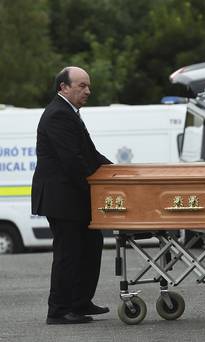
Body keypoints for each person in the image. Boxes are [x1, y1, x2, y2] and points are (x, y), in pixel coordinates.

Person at [32, 66, 112, 324]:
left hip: (73, 197)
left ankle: (79, 302)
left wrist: (118, 171)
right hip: (63, 198)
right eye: (82, 86)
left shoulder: (70, 113)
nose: (88, 91)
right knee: (69, 253)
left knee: (90, 246)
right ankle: (58, 310)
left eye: (88, 86)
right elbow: (73, 161)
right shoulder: (58, 114)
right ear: (63, 87)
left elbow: (90, 154)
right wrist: (98, 187)